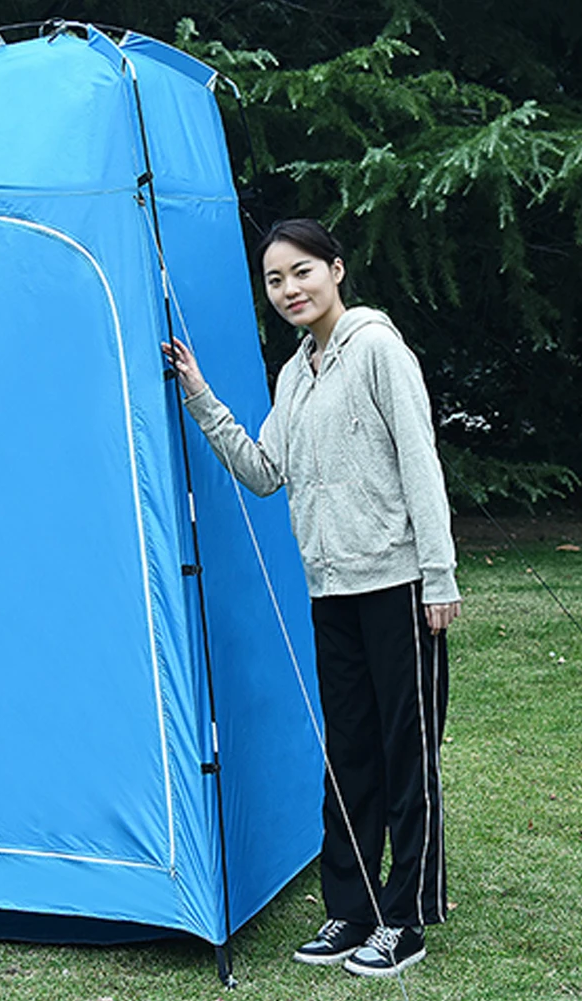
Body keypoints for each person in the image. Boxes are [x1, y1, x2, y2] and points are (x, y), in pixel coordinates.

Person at [162, 218, 460, 978]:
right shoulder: (295, 374)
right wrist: (199, 396)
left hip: (397, 585)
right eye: (274, 280)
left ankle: (405, 918)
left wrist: (439, 574)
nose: (289, 289)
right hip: (329, 590)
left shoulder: (379, 349)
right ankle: (351, 910)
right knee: (349, 754)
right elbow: (265, 471)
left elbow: (420, 463)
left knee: (406, 755)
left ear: (335, 269)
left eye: (301, 271)